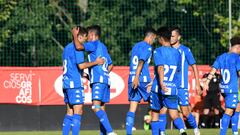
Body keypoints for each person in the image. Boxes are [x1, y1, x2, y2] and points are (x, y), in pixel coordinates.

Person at [72, 25, 117, 135]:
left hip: (99, 81)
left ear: (92, 35)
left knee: (95, 106)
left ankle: (110, 132)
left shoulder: (93, 44)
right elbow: (111, 66)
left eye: (88, 35)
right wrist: (99, 74)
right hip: (105, 81)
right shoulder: (103, 47)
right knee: (102, 109)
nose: (87, 38)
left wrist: (74, 34)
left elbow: (78, 47)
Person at [62, 26, 104, 135]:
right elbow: (81, 66)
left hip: (66, 83)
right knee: (78, 111)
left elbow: (72, 66)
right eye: (85, 37)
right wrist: (96, 62)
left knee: (69, 112)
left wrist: (83, 74)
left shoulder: (67, 48)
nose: (85, 40)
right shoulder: (77, 48)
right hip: (75, 84)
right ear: (79, 36)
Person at [150, 26, 187, 135]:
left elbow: (160, 67)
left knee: (155, 113)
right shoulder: (177, 53)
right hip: (172, 88)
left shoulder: (157, 51)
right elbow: (178, 71)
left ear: (161, 38)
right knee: (174, 114)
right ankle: (182, 130)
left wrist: (161, 82)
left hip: (159, 88)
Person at [203, 36, 240, 135]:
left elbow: (213, 70)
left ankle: (235, 133)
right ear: (238, 47)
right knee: (229, 111)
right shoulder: (237, 57)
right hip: (232, 89)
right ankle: (222, 133)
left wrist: (206, 82)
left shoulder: (221, 56)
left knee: (237, 107)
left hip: (224, 88)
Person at [169, 26, 201, 135]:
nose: (171, 38)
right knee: (169, 110)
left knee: (186, 112)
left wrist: (197, 84)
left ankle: (195, 128)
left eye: (173, 36)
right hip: (169, 86)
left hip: (182, 86)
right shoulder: (166, 49)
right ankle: (182, 130)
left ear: (179, 37)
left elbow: (194, 66)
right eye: (170, 36)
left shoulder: (185, 50)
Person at [125, 28, 157, 135]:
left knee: (132, 108)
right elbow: (141, 61)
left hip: (131, 79)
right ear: (151, 37)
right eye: (154, 39)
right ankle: (158, 132)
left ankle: (128, 133)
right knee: (158, 105)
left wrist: (134, 77)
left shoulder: (136, 46)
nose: (154, 41)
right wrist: (137, 77)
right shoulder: (148, 47)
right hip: (142, 80)